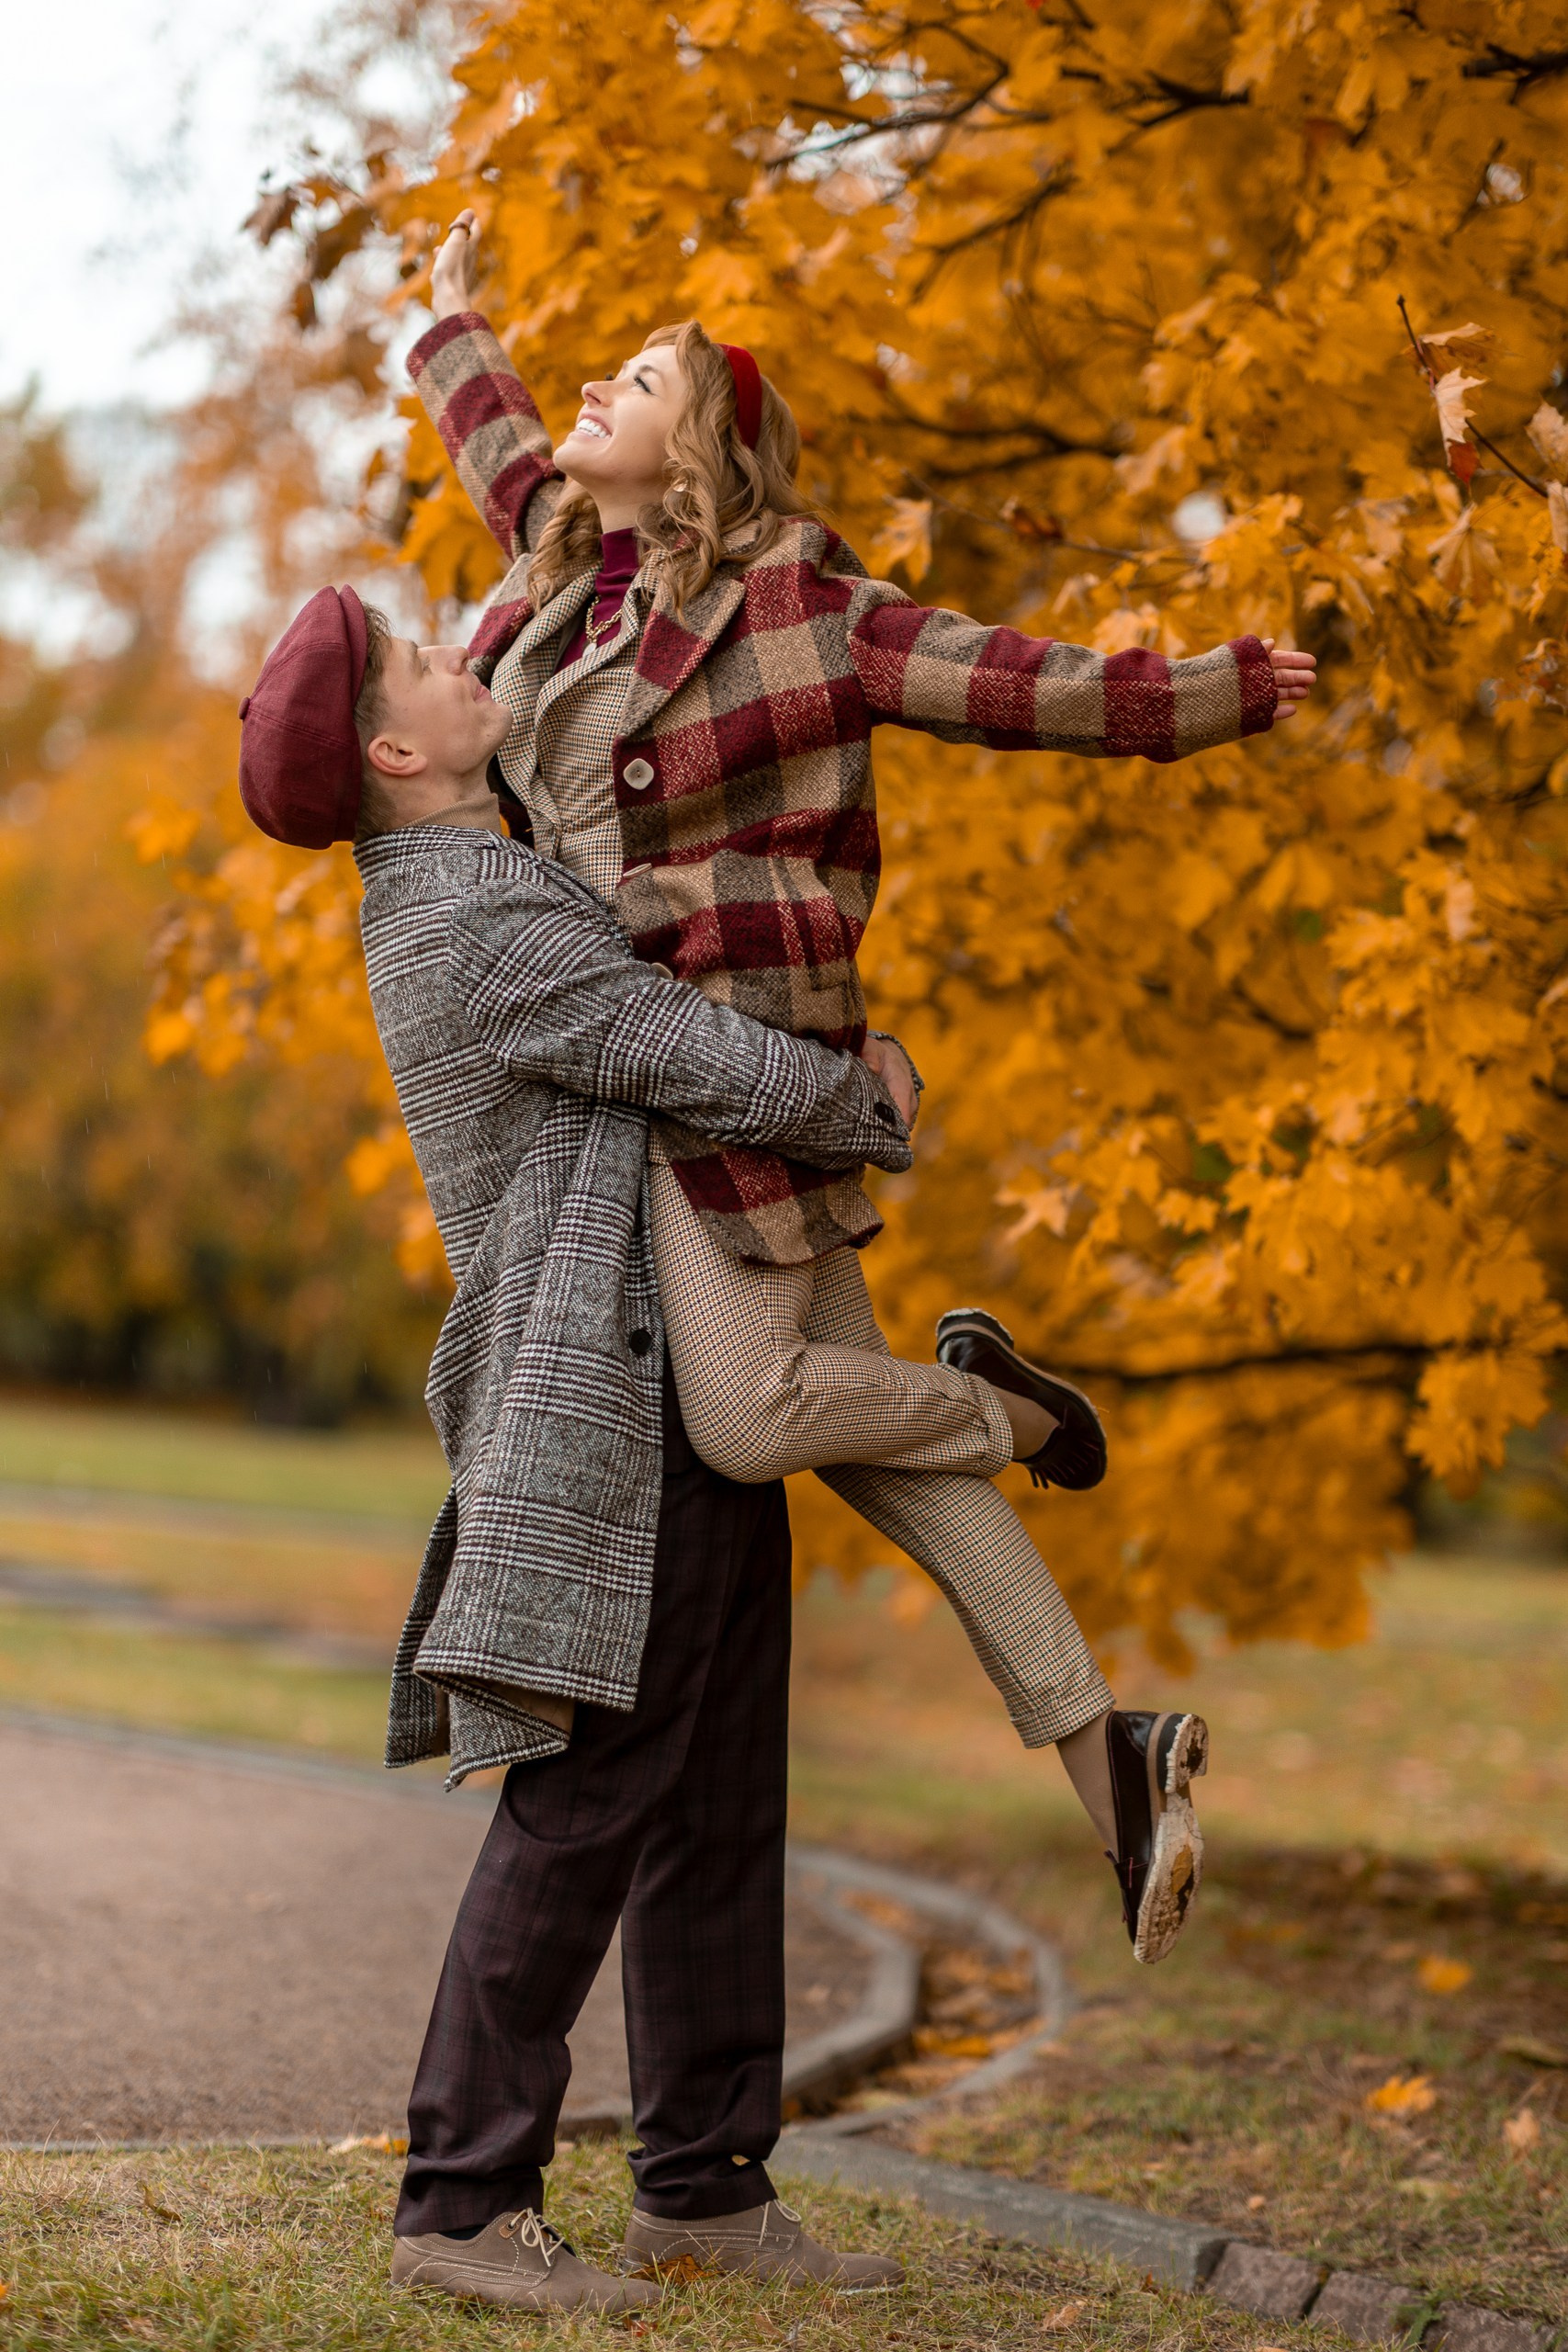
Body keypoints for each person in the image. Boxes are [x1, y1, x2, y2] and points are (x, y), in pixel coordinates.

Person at [398, 209, 1319, 1953]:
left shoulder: (803, 606)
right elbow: (503, 445)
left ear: (709, 451)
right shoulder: (549, 572)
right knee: (895, 1457)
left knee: (755, 1419)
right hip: (635, 1075)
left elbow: (1016, 684)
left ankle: (1023, 1412)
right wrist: (454, 322)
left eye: (644, 378)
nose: (602, 388)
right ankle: (1107, 1760)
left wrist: (1204, 696)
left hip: (735, 1076)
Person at [238, 582, 923, 2310]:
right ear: (396, 750)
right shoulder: (467, 918)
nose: (465, 660)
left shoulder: (497, 858)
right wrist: (875, 1102)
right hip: (606, 1400)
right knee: (590, 1799)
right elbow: (697, 1059)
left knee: (717, 1797)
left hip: (689, 1364)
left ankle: (704, 2190)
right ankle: (462, 2207)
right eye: (423, 663)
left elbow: (547, 616)